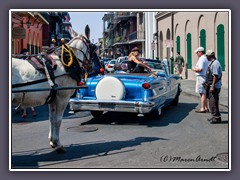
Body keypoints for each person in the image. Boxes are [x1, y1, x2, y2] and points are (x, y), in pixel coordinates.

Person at [205, 50, 222, 124]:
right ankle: (215, 116)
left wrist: (212, 86)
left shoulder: (215, 63)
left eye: (207, 56)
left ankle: (216, 118)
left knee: (213, 102)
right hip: (211, 85)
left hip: (214, 86)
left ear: (209, 56)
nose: (206, 57)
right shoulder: (212, 63)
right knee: (212, 102)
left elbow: (216, 76)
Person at [19, 48, 37, 118]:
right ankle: (26, 111)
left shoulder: (28, 60)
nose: (26, 55)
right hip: (23, 79)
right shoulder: (21, 60)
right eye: (25, 53)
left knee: (28, 96)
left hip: (28, 79)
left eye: (27, 53)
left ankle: (30, 110)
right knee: (24, 96)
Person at [192, 47, 210, 113]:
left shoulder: (201, 59)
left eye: (197, 52)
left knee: (202, 93)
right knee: (204, 92)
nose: (197, 54)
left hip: (201, 77)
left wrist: (194, 69)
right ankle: (206, 107)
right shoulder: (206, 58)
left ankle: (203, 108)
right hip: (205, 76)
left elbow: (200, 69)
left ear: (200, 52)